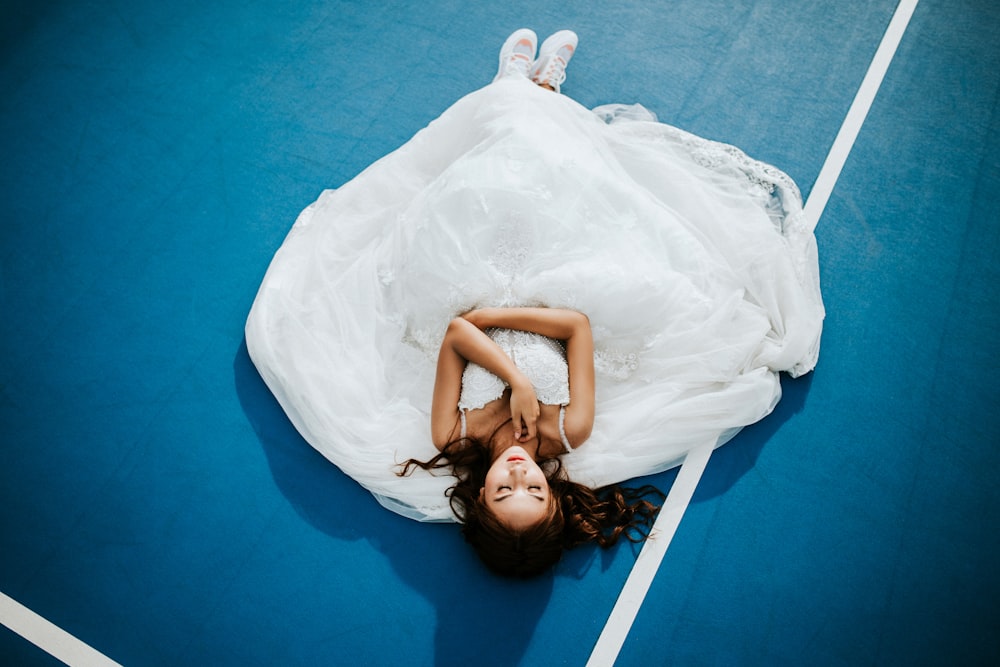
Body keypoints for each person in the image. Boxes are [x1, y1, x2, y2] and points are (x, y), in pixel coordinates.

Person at [245, 29, 825, 576]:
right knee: (558, 180)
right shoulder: (571, 430)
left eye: (504, 491)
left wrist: (509, 371)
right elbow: (575, 326)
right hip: (551, 284)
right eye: (535, 491)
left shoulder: (455, 437)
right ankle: (537, 89)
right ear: (553, 492)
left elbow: (454, 333)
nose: (519, 476)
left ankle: (515, 83)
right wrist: (499, 340)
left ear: (478, 496)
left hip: (467, 281)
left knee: (483, 185)